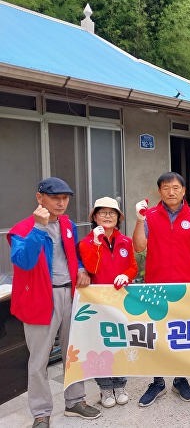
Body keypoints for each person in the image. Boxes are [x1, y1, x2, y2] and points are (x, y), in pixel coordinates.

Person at [8, 177, 102, 428]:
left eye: (65, 198)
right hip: (40, 297)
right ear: (40, 198)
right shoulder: (22, 228)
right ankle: (41, 413)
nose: (61, 203)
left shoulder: (68, 224)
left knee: (74, 352)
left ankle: (74, 402)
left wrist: (81, 269)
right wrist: (38, 228)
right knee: (38, 360)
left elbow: (73, 256)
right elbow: (23, 261)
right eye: (55, 198)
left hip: (70, 295)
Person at [133, 172, 190, 407]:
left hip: (186, 286)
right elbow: (138, 247)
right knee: (157, 336)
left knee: (182, 335)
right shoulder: (150, 216)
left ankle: (180, 379)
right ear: (159, 191)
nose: (171, 192)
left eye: (176, 187)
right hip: (156, 285)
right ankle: (157, 382)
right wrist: (139, 219)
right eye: (166, 188)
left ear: (184, 190)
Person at [78, 197, 138, 408]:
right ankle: (105, 388)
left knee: (120, 342)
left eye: (112, 213)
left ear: (118, 217)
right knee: (100, 344)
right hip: (97, 303)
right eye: (102, 213)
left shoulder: (126, 242)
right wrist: (96, 243)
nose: (107, 216)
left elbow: (133, 267)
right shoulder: (85, 243)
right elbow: (92, 269)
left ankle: (120, 385)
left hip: (120, 301)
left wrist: (126, 276)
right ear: (95, 217)